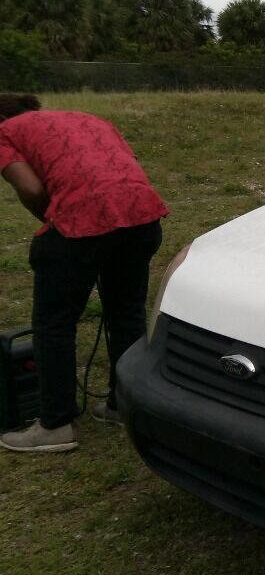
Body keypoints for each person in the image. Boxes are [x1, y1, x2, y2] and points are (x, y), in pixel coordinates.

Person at [0, 94, 168, 454]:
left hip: (83, 219)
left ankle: (55, 424)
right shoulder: (87, 118)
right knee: (125, 311)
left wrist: (52, 219)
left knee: (54, 322)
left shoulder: (4, 131)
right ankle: (123, 403)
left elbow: (29, 187)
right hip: (141, 214)